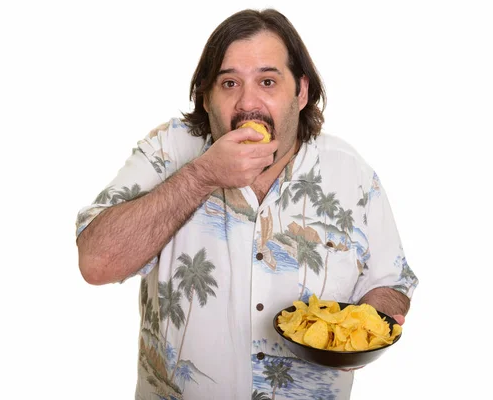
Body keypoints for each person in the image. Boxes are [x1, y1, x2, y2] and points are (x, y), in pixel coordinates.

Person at [75, 8, 418, 400]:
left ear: (301, 92)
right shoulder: (169, 151)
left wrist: (365, 328)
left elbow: (391, 281)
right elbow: (96, 262)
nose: (248, 103)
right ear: (206, 96)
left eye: (268, 81)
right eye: (230, 83)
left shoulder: (351, 173)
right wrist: (202, 175)